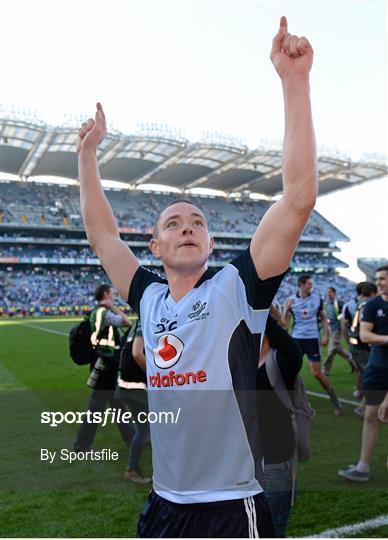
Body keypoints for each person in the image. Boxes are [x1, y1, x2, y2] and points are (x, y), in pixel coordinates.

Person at [77, 16, 318, 538]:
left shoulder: (238, 287)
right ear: (156, 246)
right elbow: (103, 239)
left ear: (210, 245)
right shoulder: (148, 299)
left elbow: (297, 200)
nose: (187, 228)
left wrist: (293, 84)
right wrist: (87, 156)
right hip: (165, 504)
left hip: (234, 507)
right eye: (173, 223)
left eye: (198, 223)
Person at [256, 305, 303, 537]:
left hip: (273, 460)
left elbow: (294, 351)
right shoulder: (238, 360)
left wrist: (256, 308)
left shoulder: (282, 361)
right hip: (241, 463)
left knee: (272, 530)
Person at [339, 266, 388, 482]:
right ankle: (363, 466)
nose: (379, 282)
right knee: (370, 415)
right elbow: (365, 335)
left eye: (383, 279)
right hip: (377, 368)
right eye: (377, 279)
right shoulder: (372, 305)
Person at [73, 284, 134, 452]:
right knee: (96, 407)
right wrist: (112, 307)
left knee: (116, 403)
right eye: (112, 293)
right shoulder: (105, 313)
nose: (114, 296)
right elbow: (127, 322)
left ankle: (131, 437)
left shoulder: (95, 312)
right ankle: (81, 445)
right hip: (106, 365)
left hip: (103, 363)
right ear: (106, 294)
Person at [284, 274, 342, 415]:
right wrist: (286, 309)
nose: (311, 286)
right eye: (309, 284)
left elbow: (323, 318)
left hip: (312, 339)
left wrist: (326, 334)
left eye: (311, 284)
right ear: (301, 285)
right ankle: (291, 404)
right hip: (297, 339)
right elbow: (284, 323)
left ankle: (335, 401)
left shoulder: (317, 299)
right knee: (290, 372)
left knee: (317, 373)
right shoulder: (291, 300)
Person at [116, 318, 151, 484]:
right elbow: (137, 353)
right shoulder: (146, 319)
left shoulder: (140, 320)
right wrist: (155, 376)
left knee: (150, 427)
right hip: (134, 386)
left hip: (127, 383)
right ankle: (131, 469)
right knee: (144, 430)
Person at [346, 282, 377, 416]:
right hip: (361, 348)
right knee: (374, 379)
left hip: (356, 347)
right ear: (372, 293)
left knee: (365, 375)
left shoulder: (359, 304)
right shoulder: (366, 306)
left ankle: (361, 395)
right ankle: (362, 407)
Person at [322, 287, 353, 376]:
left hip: (338, 329)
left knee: (331, 350)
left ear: (334, 293)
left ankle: (325, 370)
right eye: (327, 292)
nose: (328, 294)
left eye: (330, 292)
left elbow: (345, 315)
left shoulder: (339, 303)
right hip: (331, 329)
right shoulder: (327, 304)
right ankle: (353, 361)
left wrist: (343, 325)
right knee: (338, 349)